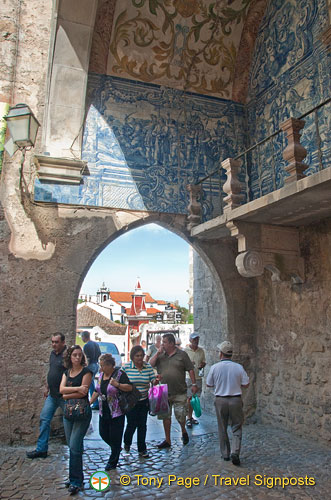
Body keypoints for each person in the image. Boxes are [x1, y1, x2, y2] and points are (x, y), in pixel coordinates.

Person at [150, 333, 198, 448]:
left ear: (171, 343)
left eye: (164, 342)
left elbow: (190, 369)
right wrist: (157, 353)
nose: (162, 344)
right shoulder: (160, 355)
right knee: (166, 417)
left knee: (181, 414)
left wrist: (194, 383)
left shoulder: (182, 354)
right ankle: (168, 440)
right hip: (164, 391)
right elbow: (150, 364)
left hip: (179, 390)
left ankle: (183, 431)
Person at [206, 341, 249, 466]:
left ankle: (225, 453)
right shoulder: (238, 367)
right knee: (236, 426)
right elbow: (246, 383)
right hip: (235, 399)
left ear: (221, 353)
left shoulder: (215, 367)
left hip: (221, 400)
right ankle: (235, 451)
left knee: (222, 426)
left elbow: (209, 384)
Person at [26, 333, 66, 459]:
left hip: (64, 396)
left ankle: (75, 448)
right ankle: (41, 449)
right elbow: (51, 371)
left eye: (57, 342)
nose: (54, 344)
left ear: (63, 342)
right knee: (44, 419)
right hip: (52, 395)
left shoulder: (67, 356)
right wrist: (47, 387)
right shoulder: (52, 354)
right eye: (52, 342)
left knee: (70, 422)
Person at [90, 354, 132, 470]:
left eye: (102, 365)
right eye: (100, 365)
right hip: (104, 410)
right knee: (103, 433)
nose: (100, 368)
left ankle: (113, 461)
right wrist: (89, 402)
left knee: (115, 437)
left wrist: (117, 385)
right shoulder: (101, 375)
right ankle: (116, 448)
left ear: (109, 365)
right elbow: (96, 390)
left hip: (117, 411)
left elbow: (129, 387)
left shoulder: (119, 374)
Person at [60, 345, 92, 495]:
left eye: (80, 355)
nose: (78, 358)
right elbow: (62, 391)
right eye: (75, 355)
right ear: (70, 357)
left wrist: (69, 393)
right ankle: (75, 476)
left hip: (82, 413)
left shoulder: (87, 372)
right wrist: (76, 389)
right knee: (73, 445)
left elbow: (83, 392)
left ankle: (75, 481)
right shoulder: (67, 373)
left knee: (74, 445)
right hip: (68, 413)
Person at [122, 345, 156, 458]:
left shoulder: (148, 367)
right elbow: (121, 382)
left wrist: (156, 380)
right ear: (132, 357)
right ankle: (127, 443)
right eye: (137, 356)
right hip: (131, 401)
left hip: (143, 400)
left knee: (142, 425)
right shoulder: (126, 367)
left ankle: (142, 449)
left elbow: (152, 380)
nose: (140, 358)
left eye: (141, 355)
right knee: (131, 424)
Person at [185, 332, 206, 428]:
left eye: (197, 339)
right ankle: (188, 417)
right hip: (188, 377)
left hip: (198, 377)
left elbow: (203, 361)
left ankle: (191, 416)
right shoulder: (186, 351)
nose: (196, 341)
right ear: (190, 340)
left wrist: (202, 365)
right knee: (189, 398)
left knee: (195, 398)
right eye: (194, 339)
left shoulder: (201, 351)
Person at [81, 331, 101, 409]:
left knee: (90, 384)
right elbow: (99, 354)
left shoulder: (86, 346)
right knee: (91, 383)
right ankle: (95, 401)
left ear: (84, 337)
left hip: (90, 365)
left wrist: (86, 366)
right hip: (96, 364)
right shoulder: (95, 344)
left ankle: (95, 402)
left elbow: (88, 357)